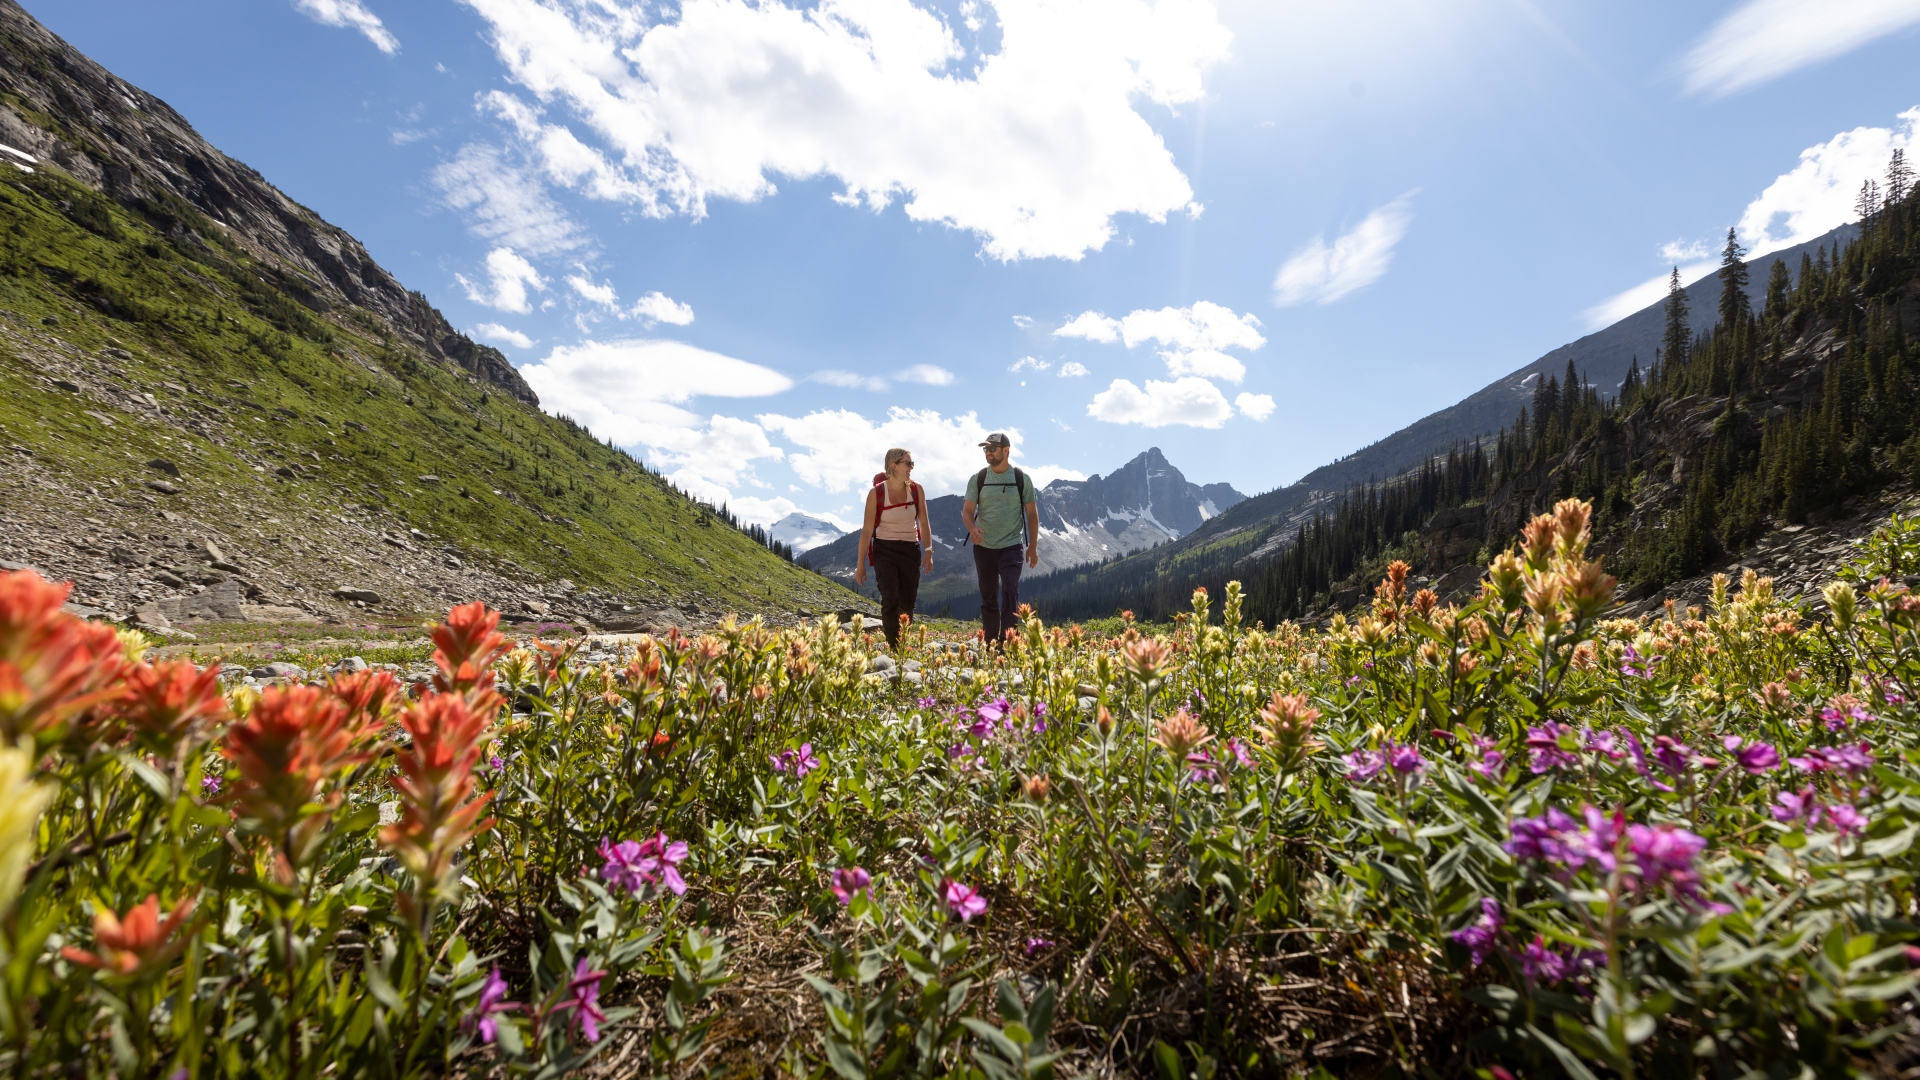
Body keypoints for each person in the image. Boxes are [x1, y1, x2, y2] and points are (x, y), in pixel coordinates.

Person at [962, 432, 1038, 647]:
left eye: (992, 448)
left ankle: (1007, 641)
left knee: (1010, 589)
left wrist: (1032, 546)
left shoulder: (1021, 479)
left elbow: (1032, 514)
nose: (988, 452)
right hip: (983, 546)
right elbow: (967, 511)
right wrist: (972, 528)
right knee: (988, 595)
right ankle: (990, 641)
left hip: (1012, 545)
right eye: (985, 449)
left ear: (1006, 450)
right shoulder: (978, 478)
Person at [854, 447, 933, 649]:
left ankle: (902, 640)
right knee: (890, 597)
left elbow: (924, 523)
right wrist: (860, 564)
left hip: (910, 550)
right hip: (884, 550)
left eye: (912, 463)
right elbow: (866, 531)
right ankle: (894, 646)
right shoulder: (876, 493)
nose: (911, 467)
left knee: (907, 601)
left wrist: (929, 550)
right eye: (908, 463)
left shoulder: (916, 490)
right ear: (893, 466)